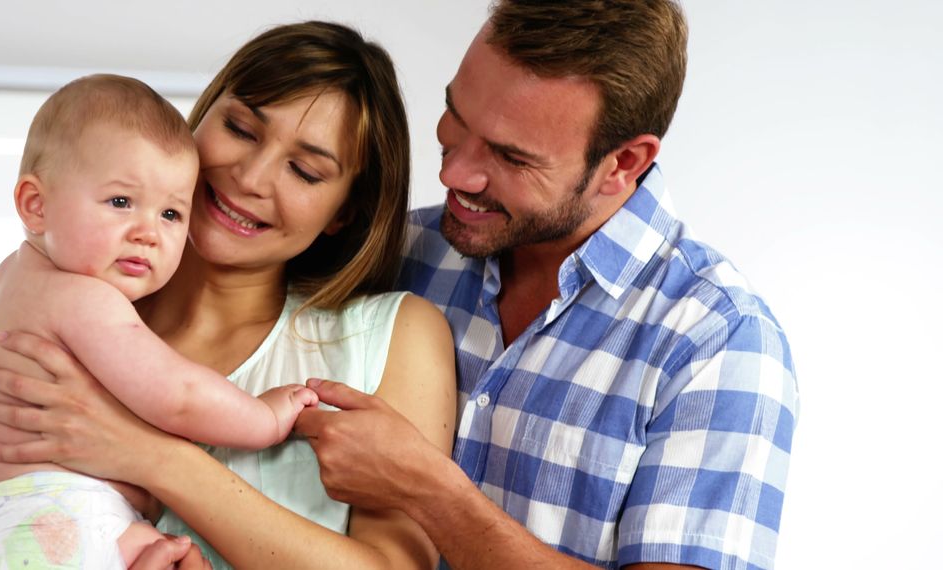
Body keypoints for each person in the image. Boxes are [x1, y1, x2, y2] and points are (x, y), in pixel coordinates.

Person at [0, 22, 456, 570]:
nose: (251, 176)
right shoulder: (55, 327)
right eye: (241, 129)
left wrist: (151, 456)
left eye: (304, 170)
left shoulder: (390, 337)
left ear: (344, 212)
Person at [292, 1, 800, 569]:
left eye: (511, 156)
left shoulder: (717, 339)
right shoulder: (397, 251)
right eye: (455, 116)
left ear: (623, 162)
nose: (453, 173)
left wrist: (426, 491)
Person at [0, 73, 324, 568]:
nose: (147, 233)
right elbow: (179, 397)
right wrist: (263, 418)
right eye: (120, 202)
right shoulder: (87, 300)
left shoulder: (2, 283)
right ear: (36, 205)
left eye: (172, 214)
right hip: (60, 529)